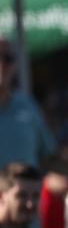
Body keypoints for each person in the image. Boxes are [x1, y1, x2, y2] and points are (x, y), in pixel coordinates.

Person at [0, 37, 56, 169]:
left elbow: (49, 157)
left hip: (29, 189)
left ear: (14, 65)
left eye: (7, 58)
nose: (1, 64)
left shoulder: (27, 104)